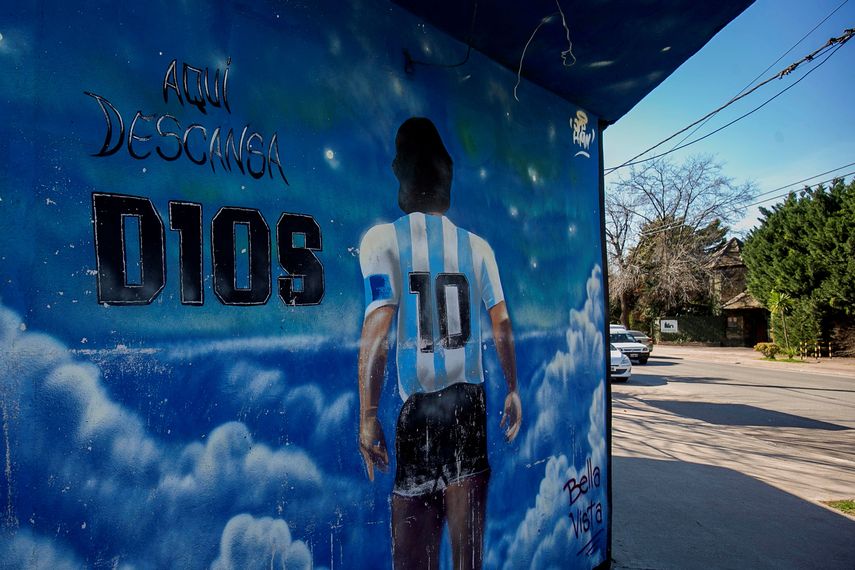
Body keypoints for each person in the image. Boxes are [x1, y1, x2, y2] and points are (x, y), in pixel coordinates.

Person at [357, 117, 521, 570]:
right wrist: (512, 387)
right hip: (469, 405)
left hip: (420, 412)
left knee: (413, 556)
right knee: (468, 554)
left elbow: (377, 333)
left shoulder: (382, 240)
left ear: (402, 170)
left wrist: (368, 416)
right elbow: (502, 324)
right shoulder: (478, 248)